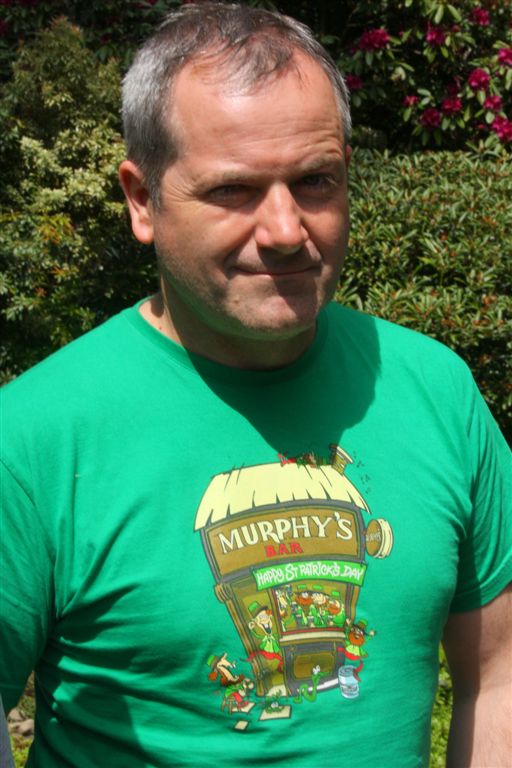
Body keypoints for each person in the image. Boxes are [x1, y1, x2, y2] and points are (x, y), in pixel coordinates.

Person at [1, 3, 510, 767]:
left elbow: (499, 675)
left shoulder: (435, 390)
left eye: (314, 181)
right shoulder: (34, 437)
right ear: (142, 200)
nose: (284, 230)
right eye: (233, 191)